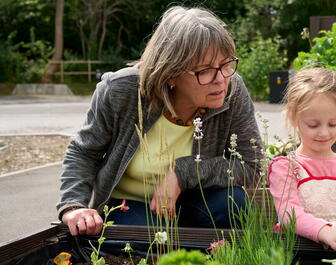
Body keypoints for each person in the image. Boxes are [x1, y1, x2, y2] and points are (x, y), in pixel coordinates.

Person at [57, 6, 263, 236]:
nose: (221, 80)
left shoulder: (233, 90)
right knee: (146, 238)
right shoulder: (121, 91)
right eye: (205, 70)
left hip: (193, 199)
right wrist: (73, 206)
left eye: (226, 65)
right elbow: (84, 152)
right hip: (130, 205)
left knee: (233, 203)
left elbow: (252, 166)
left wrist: (184, 174)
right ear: (171, 73)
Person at [267, 68, 336, 251]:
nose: (324, 132)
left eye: (332, 124)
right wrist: (323, 231)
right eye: (313, 125)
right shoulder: (287, 168)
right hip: (297, 254)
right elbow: (289, 213)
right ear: (294, 118)